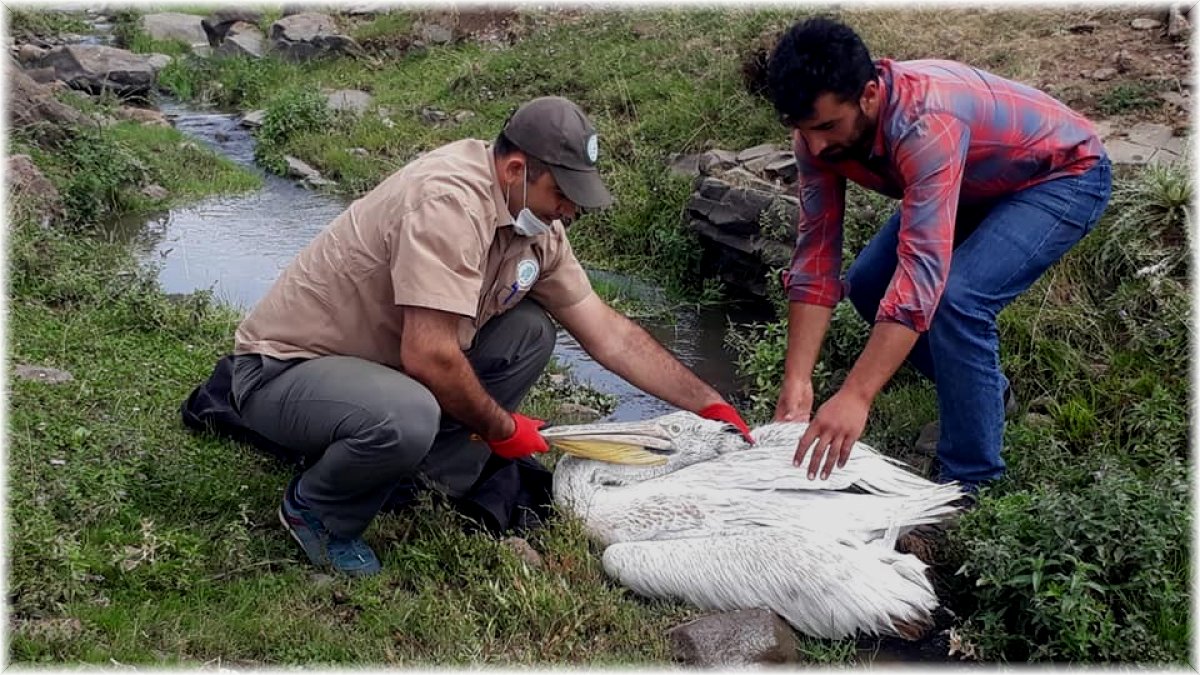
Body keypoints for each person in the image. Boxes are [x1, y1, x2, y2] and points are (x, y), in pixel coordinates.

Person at [218, 96, 754, 576]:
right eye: (562, 194)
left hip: (377, 369)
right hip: (284, 372)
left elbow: (607, 332)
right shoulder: (447, 203)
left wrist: (708, 403)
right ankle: (317, 510)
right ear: (517, 168)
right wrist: (502, 428)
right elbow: (428, 355)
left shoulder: (534, 225)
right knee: (406, 415)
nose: (570, 211)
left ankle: (424, 479)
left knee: (529, 332)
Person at [763, 18, 1111, 491]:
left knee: (955, 300)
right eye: (807, 131)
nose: (818, 145)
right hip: (969, 183)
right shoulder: (816, 139)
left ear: (868, 95)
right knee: (867, 286)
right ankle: (987, 394)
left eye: (827, 126)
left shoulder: (926, 121)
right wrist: (798, 382)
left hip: (1061, 175)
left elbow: (921, 276)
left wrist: (855, 396)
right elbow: (816, 254)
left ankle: (970, 486)